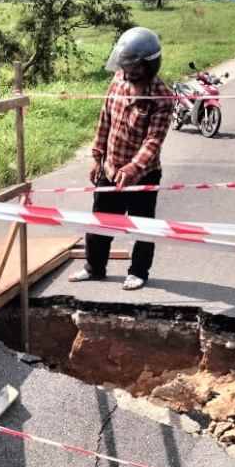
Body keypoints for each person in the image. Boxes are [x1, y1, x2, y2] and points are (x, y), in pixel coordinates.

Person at [69, 26, 174, 291]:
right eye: (126, 68)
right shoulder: (117, 80)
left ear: (148, 67)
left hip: (143, 174)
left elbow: (154, 140)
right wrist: (96, 157)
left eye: (134, 69)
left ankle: (138, 271)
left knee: (142, 226)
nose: (128, 74)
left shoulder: (161, 96)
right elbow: (105, 119)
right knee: (100, 222)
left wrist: (133, 168)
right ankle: (94, 267)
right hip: (110, 168)